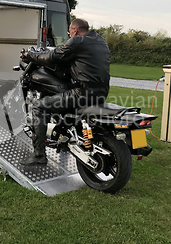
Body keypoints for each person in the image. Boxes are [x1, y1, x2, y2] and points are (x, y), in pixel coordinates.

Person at [20, 18, 111, 165]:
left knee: (39, 106)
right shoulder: (100, 41)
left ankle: (39, 155)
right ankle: (63, 135)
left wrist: (28, 56)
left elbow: (52, 56)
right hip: (101, 92)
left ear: (75, 30)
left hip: (82, 93)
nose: (69, 34)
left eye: (70, 31)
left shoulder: (78, 41)